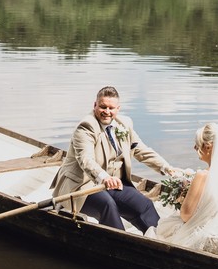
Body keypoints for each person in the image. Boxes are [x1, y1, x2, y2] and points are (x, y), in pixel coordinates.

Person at [52, 86, 178, 234]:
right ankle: (122, 245)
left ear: (118, 108)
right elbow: (85, 160)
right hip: (82, 185)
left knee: (144, 205)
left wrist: (166, 168)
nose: (107, 111)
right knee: (108, 205)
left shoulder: (124, 124)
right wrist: (104, 177)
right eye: (102, 107)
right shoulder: (86, 127)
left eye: (111, 108)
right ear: (95, 105)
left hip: (114, 184)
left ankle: (161, 241)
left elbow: (141, 150)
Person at [154, 121, 218, 253]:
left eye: (197, 144)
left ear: (208, 147)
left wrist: (183, 198)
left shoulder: (203, 176)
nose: (195, 148)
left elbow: (186, 216)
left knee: (166, 227)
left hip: (213, 239)